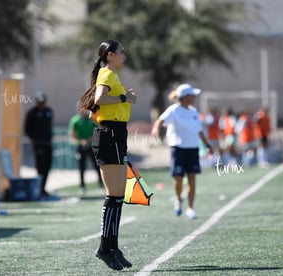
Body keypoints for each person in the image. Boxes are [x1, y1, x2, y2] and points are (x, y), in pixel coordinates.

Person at [79, 39, 137, 271]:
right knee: (113, 196)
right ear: (111, 55)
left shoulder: (110, 75)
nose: (125, 56)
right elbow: (99, 100)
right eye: (122, 52)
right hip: (110, 135)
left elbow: (93, 113)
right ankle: (105, 248)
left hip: (114, 134)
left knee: (118, 196)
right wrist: (125, 99)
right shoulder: (107, 74)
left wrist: (111, 115)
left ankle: (112, 247)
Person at [151, 84, 213, 219]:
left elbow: (199, 130)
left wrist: (207, 144)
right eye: (192, 95)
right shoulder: (174, 110)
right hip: (178, 149)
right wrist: (156, 129)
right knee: (178, 179)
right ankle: (178, 199)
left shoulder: (193, 112)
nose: (194, 97)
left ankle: (190, 208)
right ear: (185, 97)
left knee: (192, 179)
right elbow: (160, 121)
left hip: (192, 149)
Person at [24, 93, 54, 198]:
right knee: (40, 167)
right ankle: (39, 189)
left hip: (48, 143)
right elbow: (27, 129)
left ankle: (43, 188)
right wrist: (34, 139)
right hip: (38, 144)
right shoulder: (32, 113)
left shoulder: (49, 111)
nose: (42, 104)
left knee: (47, 166)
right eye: (40, 102)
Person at [68, 106, 103, 194]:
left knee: (96, 166)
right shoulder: (75, 121)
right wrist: (80, 141)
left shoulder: (91, 119)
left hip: (91, 146)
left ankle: (101, 185)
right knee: (82, 167)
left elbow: (97, 130)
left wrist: (91, 138)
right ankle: (82, 186)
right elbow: (72, 135)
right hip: (80, 147)